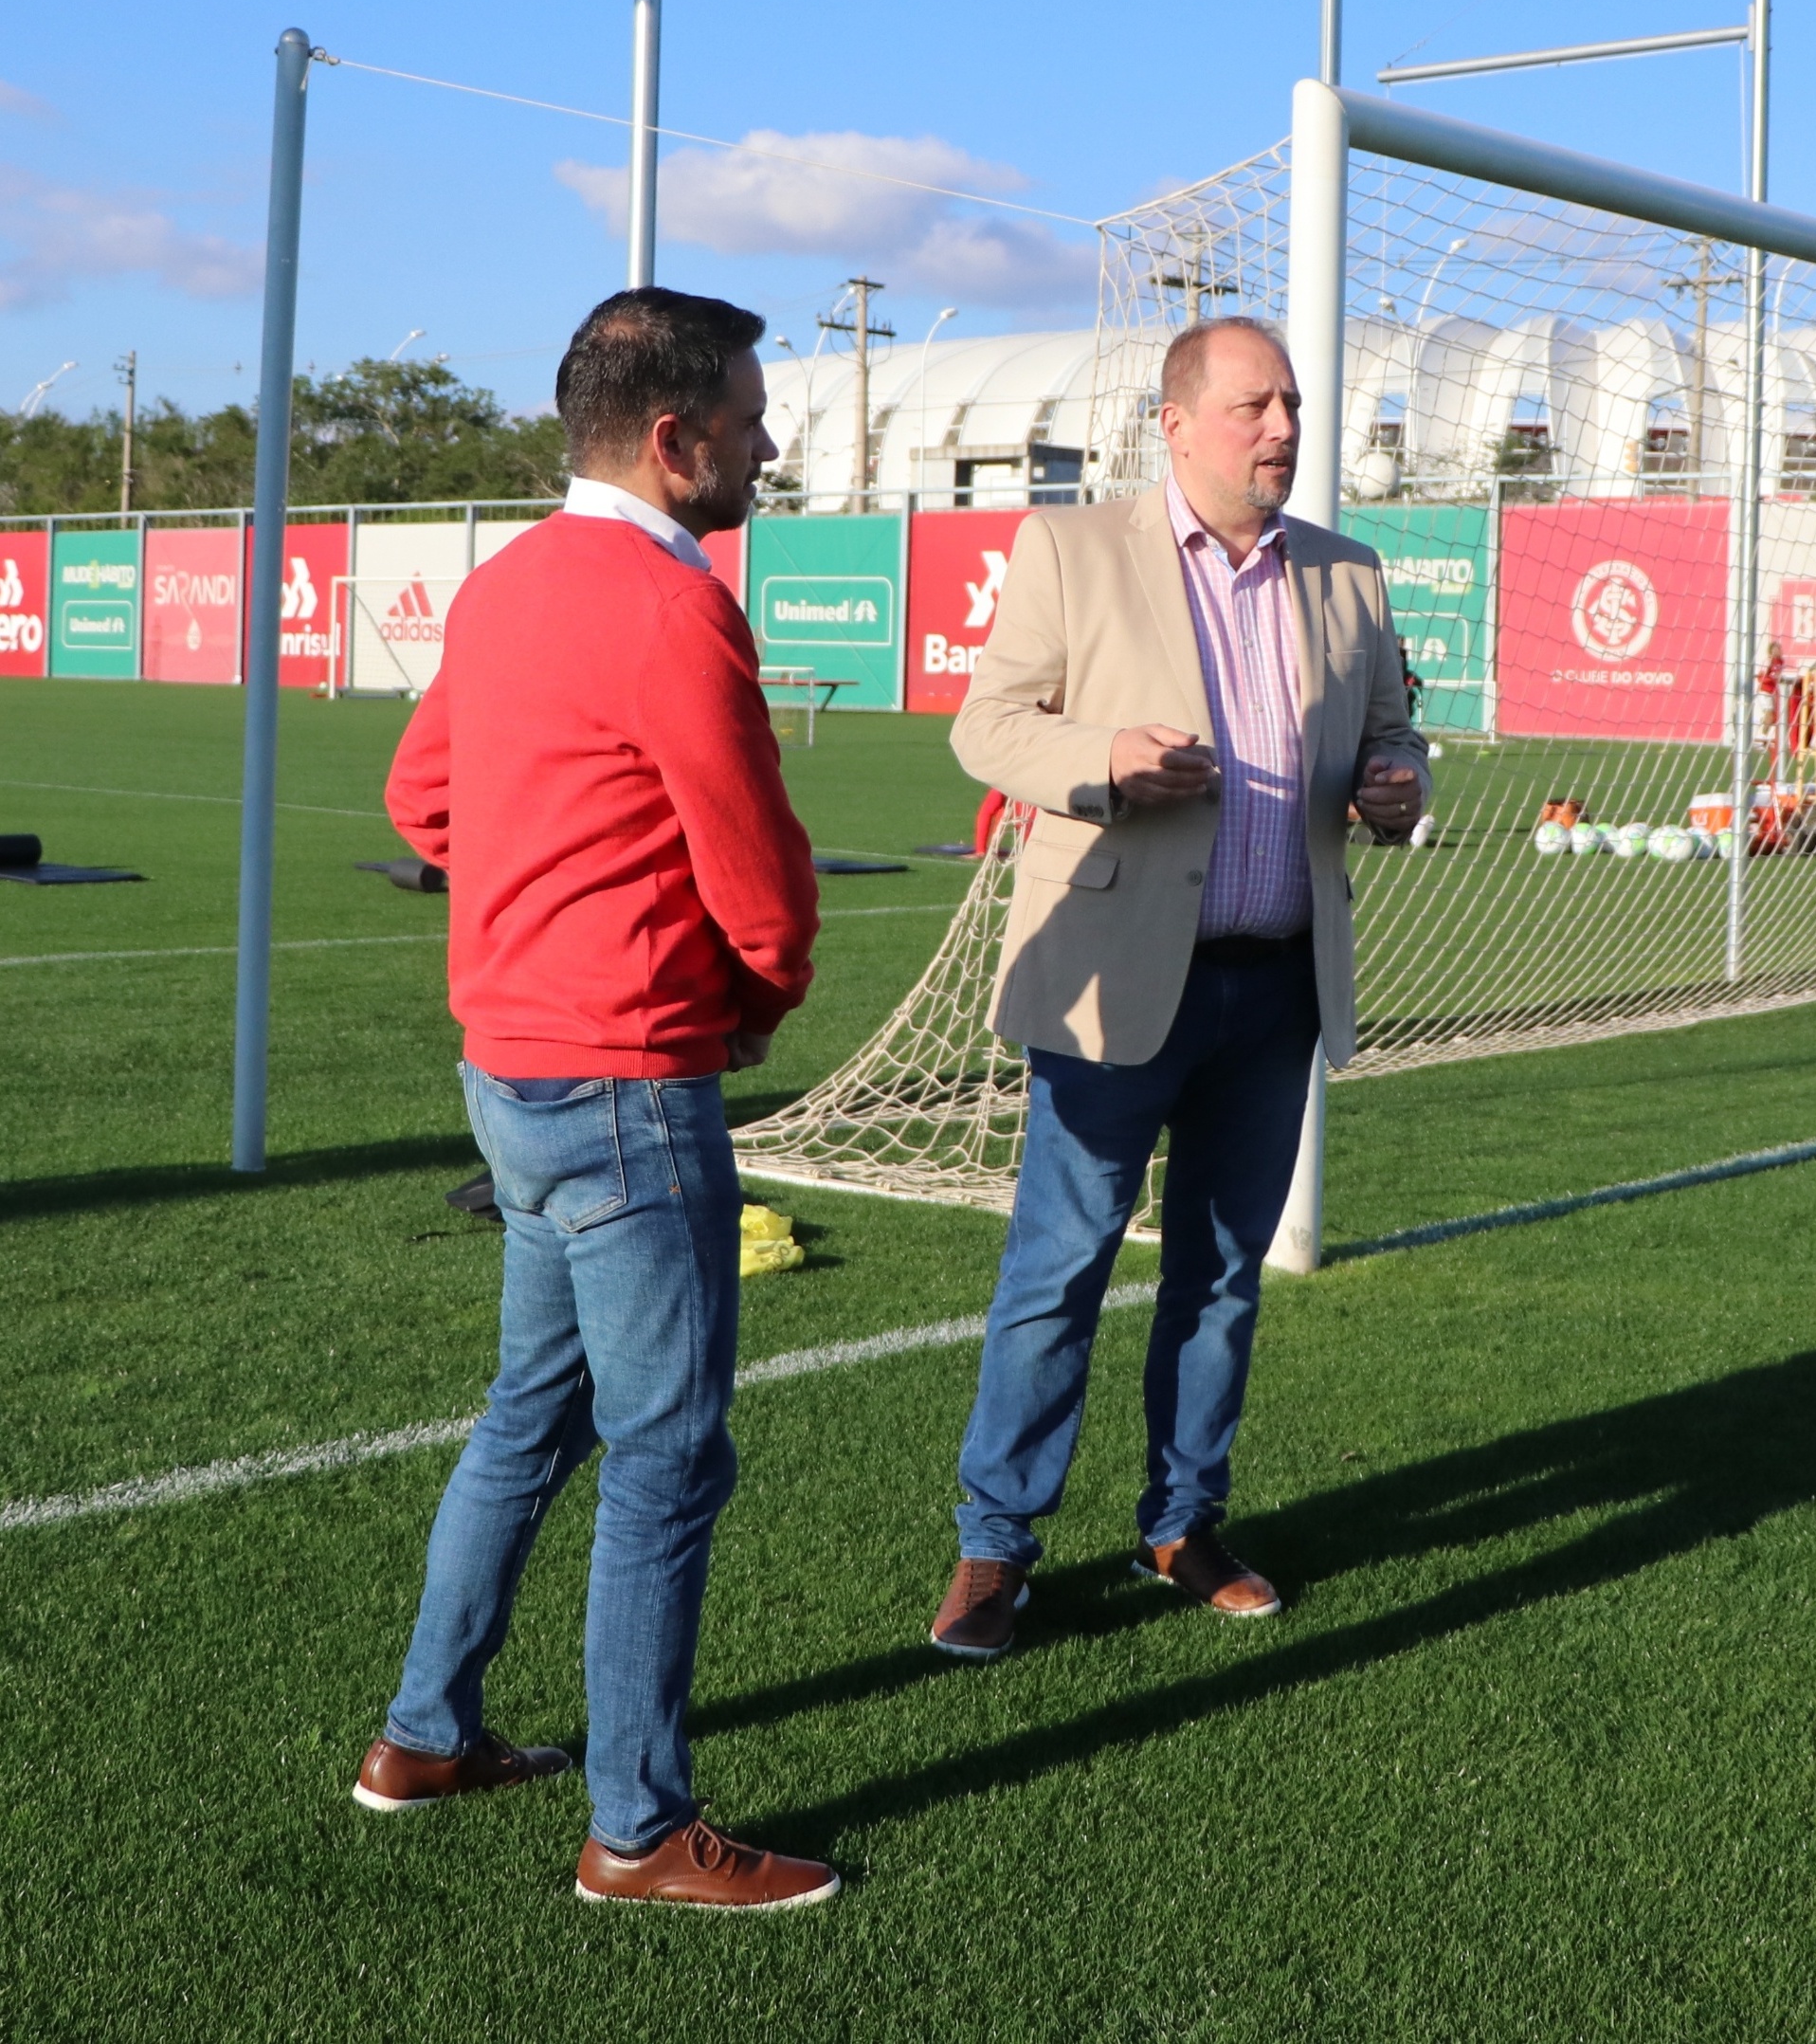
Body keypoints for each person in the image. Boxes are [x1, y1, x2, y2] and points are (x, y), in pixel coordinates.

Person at [352, 286, 840, 1912]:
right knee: (667, 1458)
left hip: (508, 1072)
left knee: (530, 1414)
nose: (769, 440)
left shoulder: (506, 585)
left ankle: (423, 1733)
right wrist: (754, 998)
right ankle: (638, 1829)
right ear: (673, 436)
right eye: (754, 415)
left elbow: (422, 793)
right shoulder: (670, 600)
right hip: (628, 1081)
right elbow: (757, 868)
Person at [930, 316, 1429, 1656]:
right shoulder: (1072, 548)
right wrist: (1107, 759)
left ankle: (1182, 1520)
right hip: (1113, 985)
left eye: (1293, 406)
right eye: (1254, 405)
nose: (1281, 428)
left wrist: (1399, 789)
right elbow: (988, 723)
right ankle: (995, 1546)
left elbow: (1396, 741)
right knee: (1060, 1266)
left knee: (1221, 1274)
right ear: (1176, 420)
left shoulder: (1348, 575)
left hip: (1274, 991)